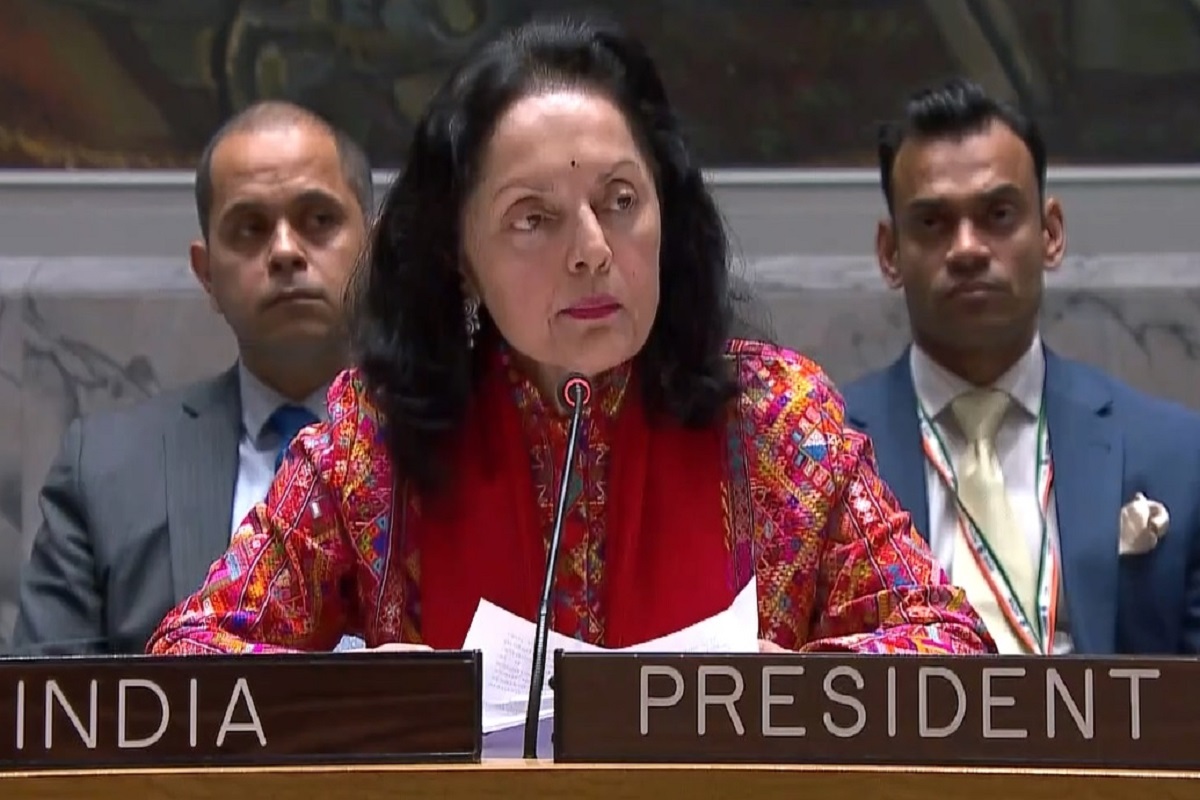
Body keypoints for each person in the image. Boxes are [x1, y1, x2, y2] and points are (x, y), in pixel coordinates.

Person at [147, 18, 993, 656]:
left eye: (621, 201)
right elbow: (192, 654)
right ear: (460, 256)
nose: (592, 250)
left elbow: (952, 645)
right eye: (533, 218)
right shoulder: (378, 439)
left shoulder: (776, 420)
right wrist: (381, 701)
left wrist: (788, 696)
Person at [843, 78, 1200, 655]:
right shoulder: (824, 461)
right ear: (890, 253)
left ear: (1050, 233)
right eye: (933, 222)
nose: (967, 248)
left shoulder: (1176, 455)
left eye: (999, 214)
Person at [12, 101, 372, 655]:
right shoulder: (105, 470)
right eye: (250, 228)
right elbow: (47, 698)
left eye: (318, 220)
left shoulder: (465, 449)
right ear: (207, 275)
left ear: (373, 250)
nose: (284, 251)